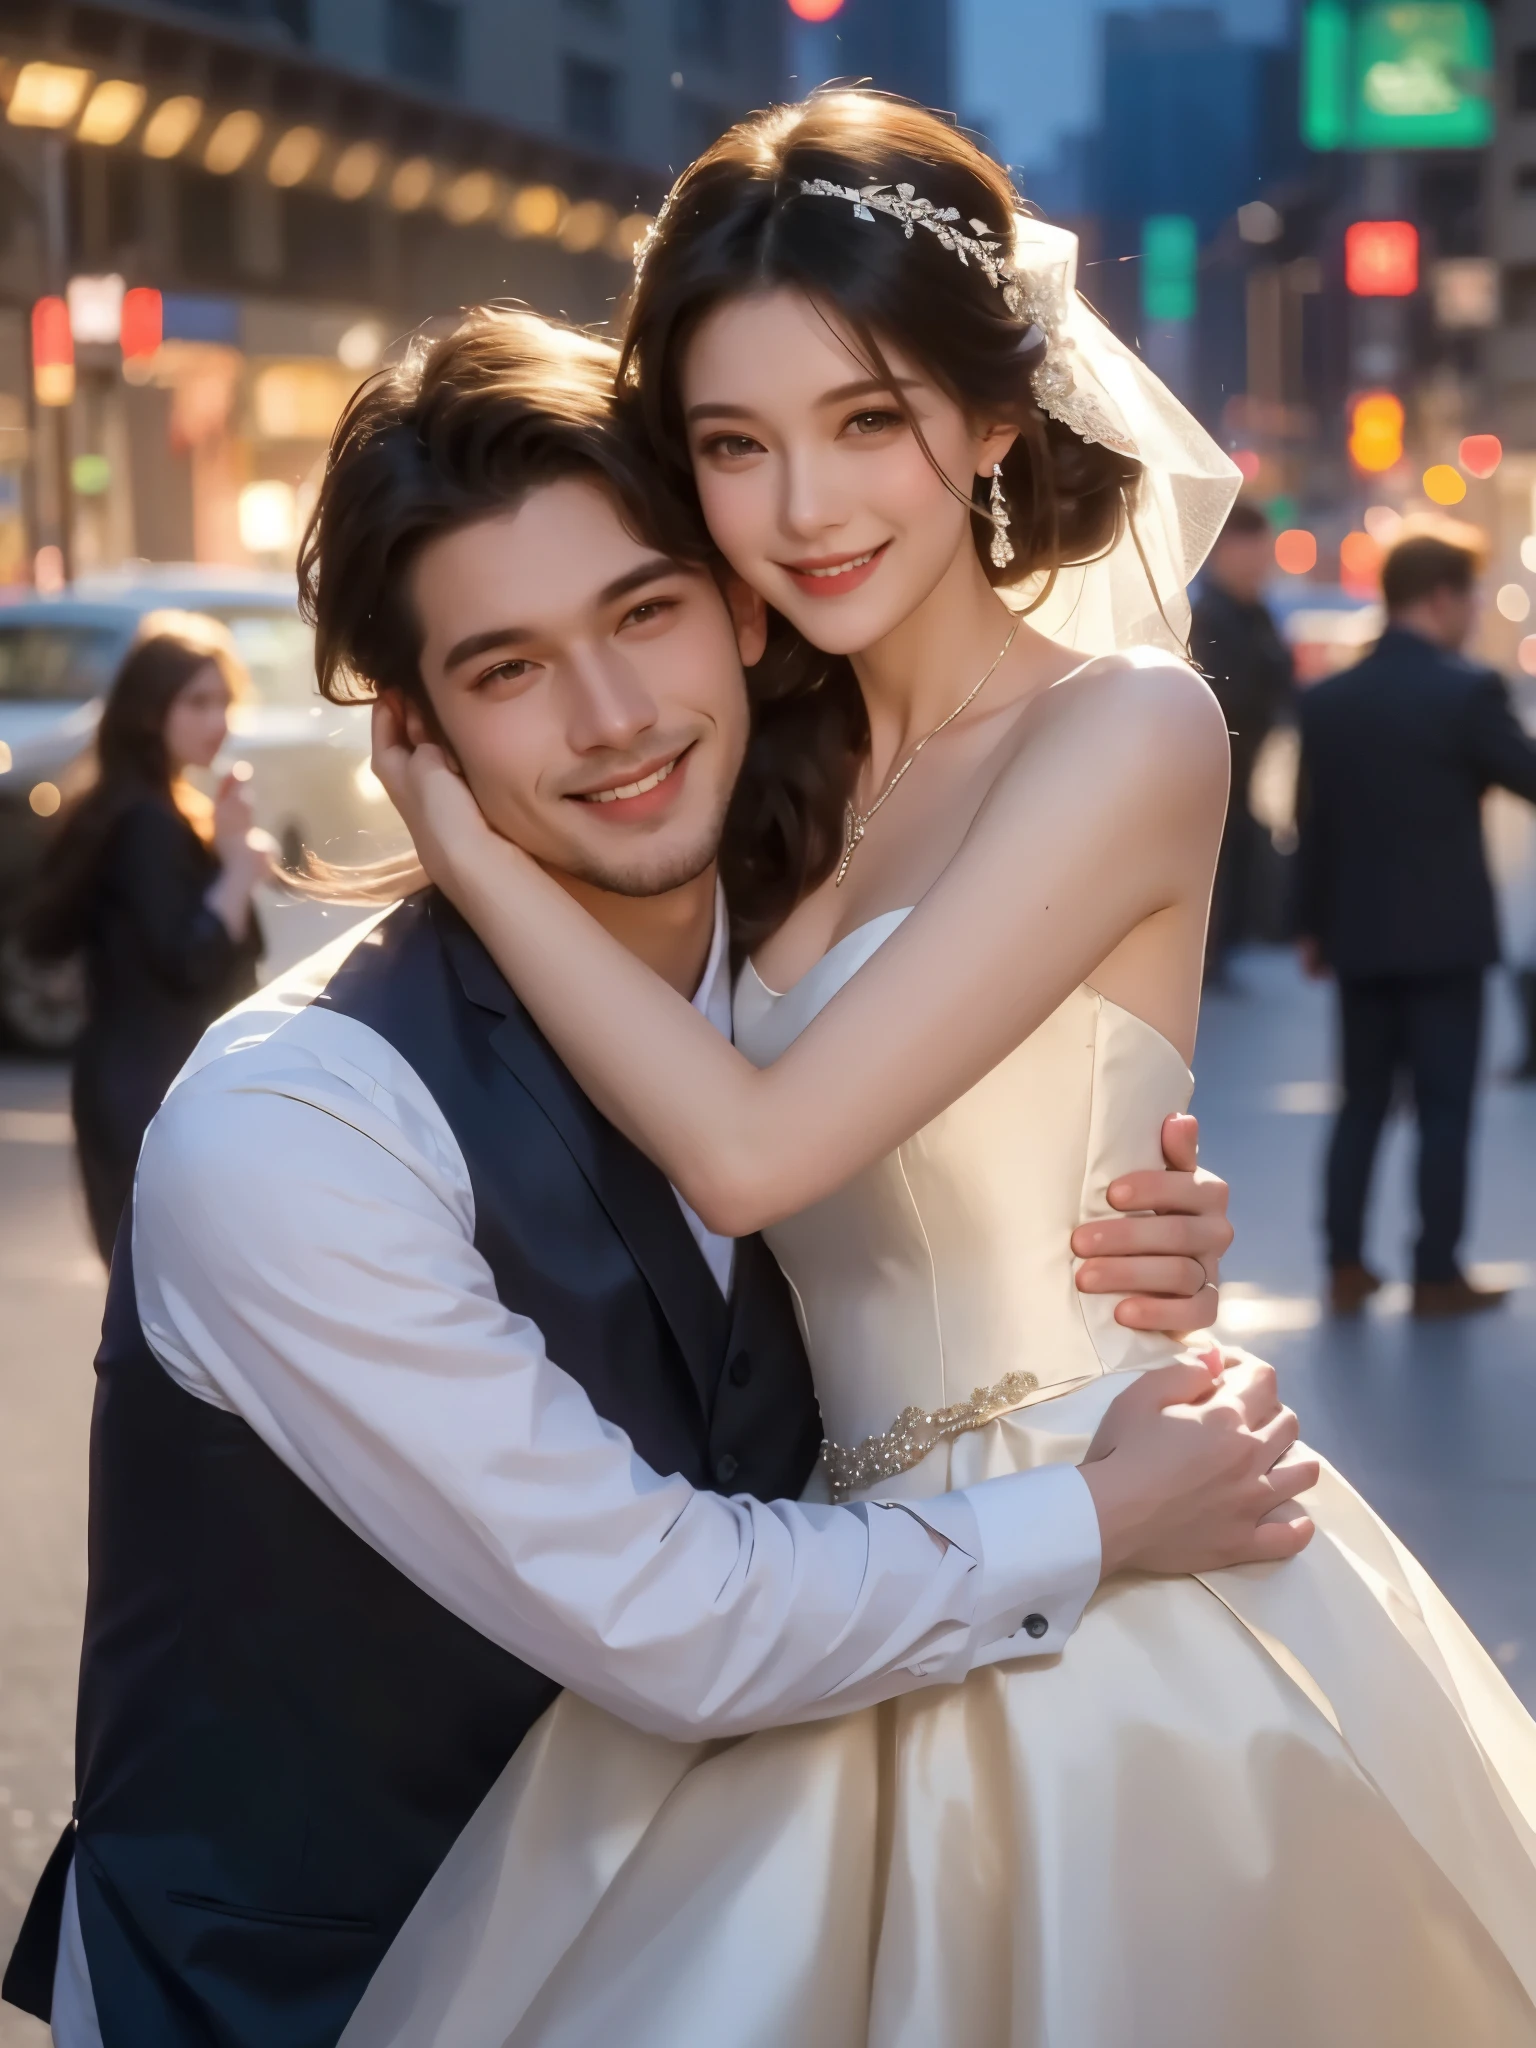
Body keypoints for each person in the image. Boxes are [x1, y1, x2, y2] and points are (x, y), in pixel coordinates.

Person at [362, 96, 1536, 2046]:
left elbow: (754, 1149)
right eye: (734, 446)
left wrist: (474, 850)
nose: (805, 505)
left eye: (866, 420)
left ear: (996, 418)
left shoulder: (1128, 729)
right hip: (850, 1565)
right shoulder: (760, 759)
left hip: (1126, 1564)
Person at [0, 313, 1266, 2048]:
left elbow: (931, 1265)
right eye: (508, 666)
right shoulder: (294, 1123)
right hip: (309, 1990)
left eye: (644, 612)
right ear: (416, 729)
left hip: (727, 1943)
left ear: (746, 611)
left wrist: (1108, 1232)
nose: (611, 719)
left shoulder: (814, 1002)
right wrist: (1105, 1517)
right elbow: (666, 1613)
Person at [1298, 530, 1536, 1318]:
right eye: (1470, 596)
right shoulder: (1467, 692)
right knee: (1443, 1109)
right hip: (1446, 940)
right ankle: (1436, 1272)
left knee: (1360, 1103)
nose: (1473, 612)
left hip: (1359, 938)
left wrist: (1312, 927)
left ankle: (1343, 1265)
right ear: (1441, 598)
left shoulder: (1332, 700)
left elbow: (1313, 823)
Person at [21, 613, 268, 1259]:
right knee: (172, 1306)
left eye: (224, 702)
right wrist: (239, 868)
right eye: (197, 702)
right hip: (152, 1091)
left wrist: (224, 849)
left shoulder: (140, 808)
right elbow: (191, 960)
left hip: (137, 1083)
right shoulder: (145, 823)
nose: (217, 722)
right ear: (147, 710)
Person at [1190, 498, 1295, 984]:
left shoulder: (1256, 614)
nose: (1261, 563)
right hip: (1212, 763)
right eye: (1252, 551)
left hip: (1245, 761)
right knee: (1210, 859)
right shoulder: (1210, 615)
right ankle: (1206, 955)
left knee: (1234, 853)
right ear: (1224, 549)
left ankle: (1221, 948)